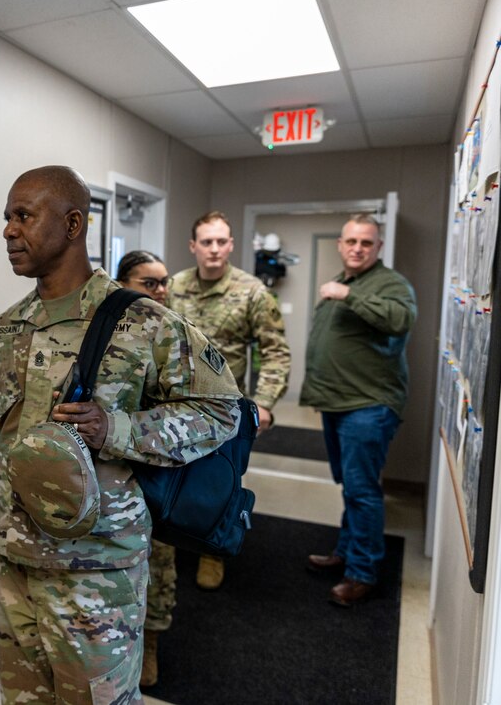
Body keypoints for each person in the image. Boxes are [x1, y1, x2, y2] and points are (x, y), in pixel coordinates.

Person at [0, 167, 242, 704]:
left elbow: (222, 410)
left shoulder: (143, 323)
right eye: (6, 218)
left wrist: (120, 428)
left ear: (72, 225)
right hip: (16, 568)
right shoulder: (8, 328)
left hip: (99, 575)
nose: (8, 231)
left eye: (23, 216)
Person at [166, 211, 291, 591]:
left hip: (225, 409)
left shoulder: (252, 291)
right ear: (194, 247)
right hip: (173, 403)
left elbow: (275, 352)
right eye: (207, 242)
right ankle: (171, 541)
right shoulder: (174, 287)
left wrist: (265, 403)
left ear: (231, 245)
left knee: (219, 483)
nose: (215, 249)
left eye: (221, 241)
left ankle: (213, 551)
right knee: (171, 477)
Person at [300, 214, 416, 606]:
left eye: (366, 242)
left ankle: (362, 572)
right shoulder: (347, 281)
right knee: (352, 487)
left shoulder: (388, 284)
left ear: (378, 247)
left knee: (363, 492)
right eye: (351, 241)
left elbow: (401, 319)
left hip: (368, 406)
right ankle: (347, 553)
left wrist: (348, 296)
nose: (357, 248)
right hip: (340, 403)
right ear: (340, 243)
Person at [116, 250, 173, 688]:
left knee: (161, 561)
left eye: (163, 282)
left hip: (161, 466)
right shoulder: (104, 332)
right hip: (114, 471)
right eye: (148, 283)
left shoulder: (175, 332)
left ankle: (151, 642)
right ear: (122, 284)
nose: (159, 291)